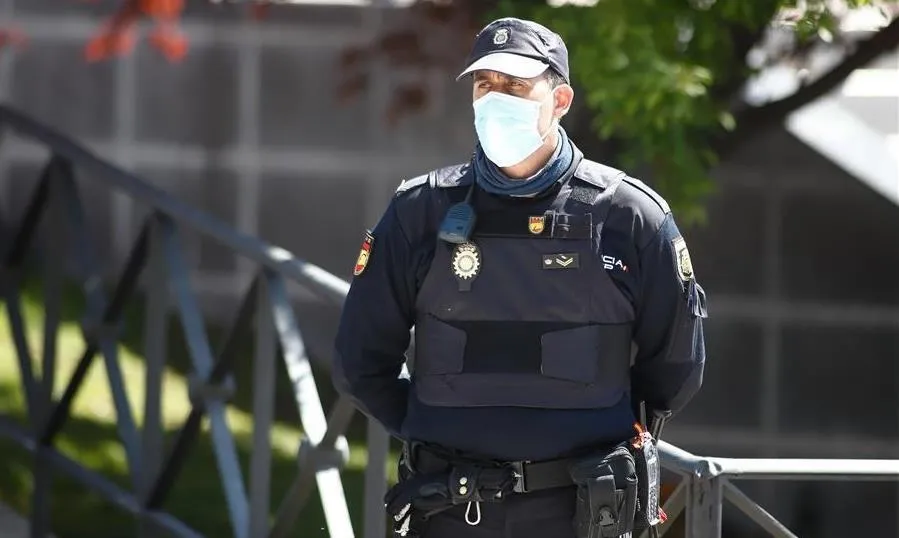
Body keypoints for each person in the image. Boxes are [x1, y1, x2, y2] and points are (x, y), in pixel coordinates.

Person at [333, 16, 707, 538]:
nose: (495, 99)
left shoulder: (629, 217)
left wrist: (606, 433)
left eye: (515, 85)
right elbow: (360, 362)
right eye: (484, 85)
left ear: (560, 101)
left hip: (580, 512)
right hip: (449, 510)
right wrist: (431, 431)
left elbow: (676, 367)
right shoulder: (419, 213)